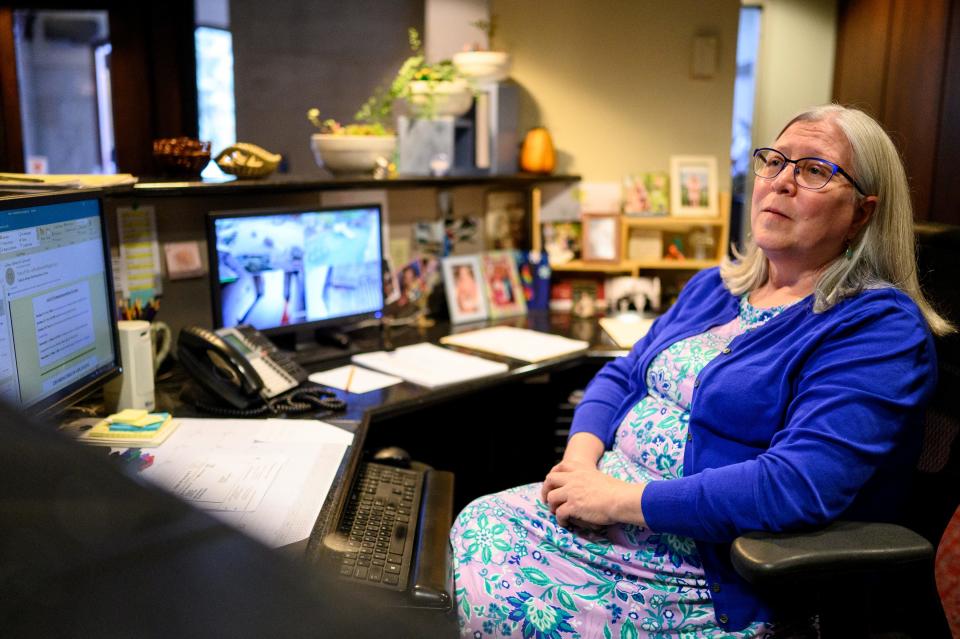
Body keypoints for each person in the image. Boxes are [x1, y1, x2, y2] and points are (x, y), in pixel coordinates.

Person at [450, 104, 954, 638]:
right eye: (775, 161)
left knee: (483, 583)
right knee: (470, 528)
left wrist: (617, 499)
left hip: (702, 570)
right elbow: (622, 375)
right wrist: (580, 471)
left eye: (813, 170)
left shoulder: (877, 327)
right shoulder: (717, 286)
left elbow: (795, 485)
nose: (782, 181)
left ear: (862, 213)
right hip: (607, 513)